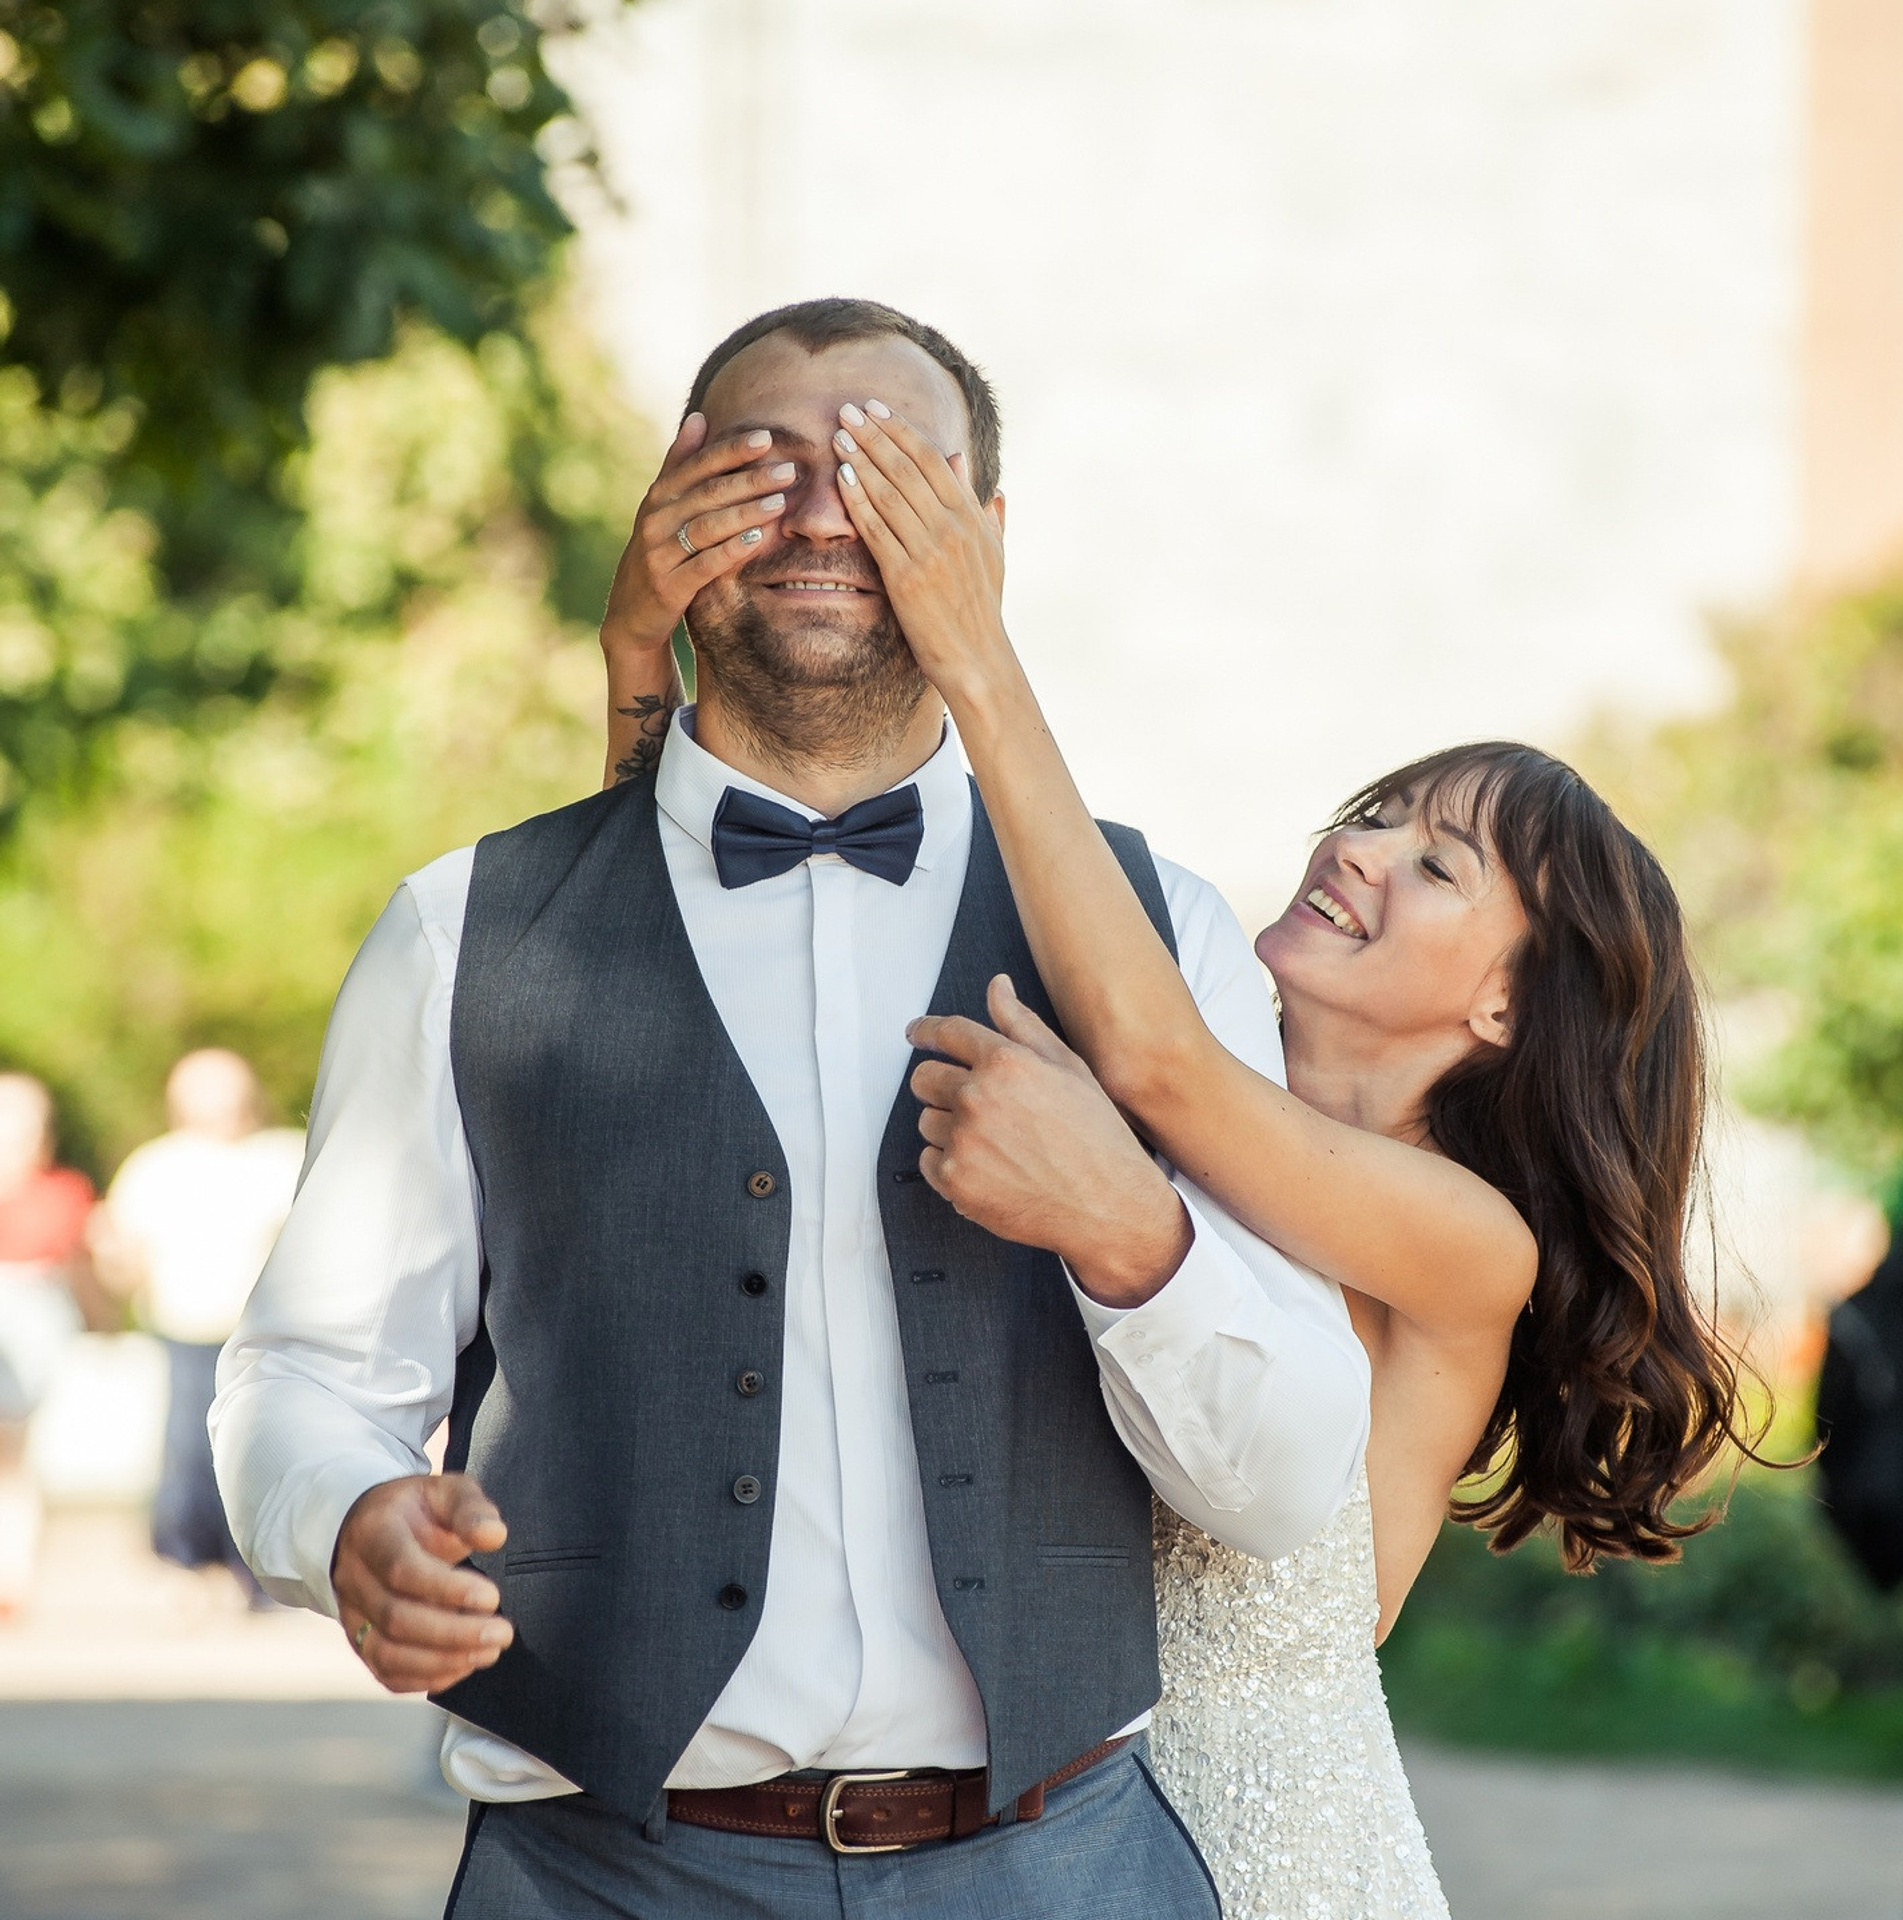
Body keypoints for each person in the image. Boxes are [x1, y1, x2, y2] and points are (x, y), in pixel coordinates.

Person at [212, 299, 1371, 1919]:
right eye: (765, 467)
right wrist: (340, 1520)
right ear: (671, 514)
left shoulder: (1157, 931)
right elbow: (307, 1374)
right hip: (593, 1878)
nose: (826, 513)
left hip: (1064, 1870)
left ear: (988, 538)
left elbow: (1288, 1480)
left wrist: (1129, 1231)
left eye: (888, 470)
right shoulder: (465, 930)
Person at [667, 398, 1749, 1917]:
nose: (1356, 848)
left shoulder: (1462, 1239)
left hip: (1264, 1860)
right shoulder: (1180, 1120)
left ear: (1509, 1000)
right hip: (1022, 1842)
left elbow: (1154, 1055)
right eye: (1370, 813)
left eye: (1435, 862)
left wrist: (972, 647)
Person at [94, 1050, 303, 1600]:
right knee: (190, 1450)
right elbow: (122, 1250)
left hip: (265, 1331)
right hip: (186, 1326)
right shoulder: (155, 1165)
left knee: (260, 1448)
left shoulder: (281, 1157)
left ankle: (257, 1569)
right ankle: (186, 1559)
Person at [0, 1073, 95, 1619]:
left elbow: (76, 1267)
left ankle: (14, 1574)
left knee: (14, 1453)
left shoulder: (61, 1192)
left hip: (32, 1320)